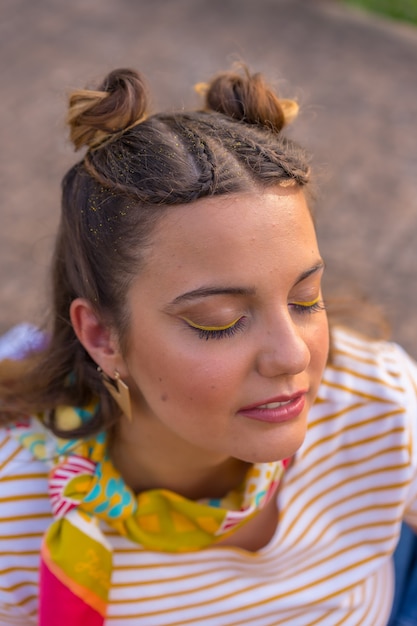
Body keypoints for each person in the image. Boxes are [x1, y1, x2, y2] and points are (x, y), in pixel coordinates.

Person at [0, 66, 416, 626]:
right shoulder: (13, 522)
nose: (292, 356)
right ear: (103, 337)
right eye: (219, 321)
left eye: (305, 298)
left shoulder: (376, 400)